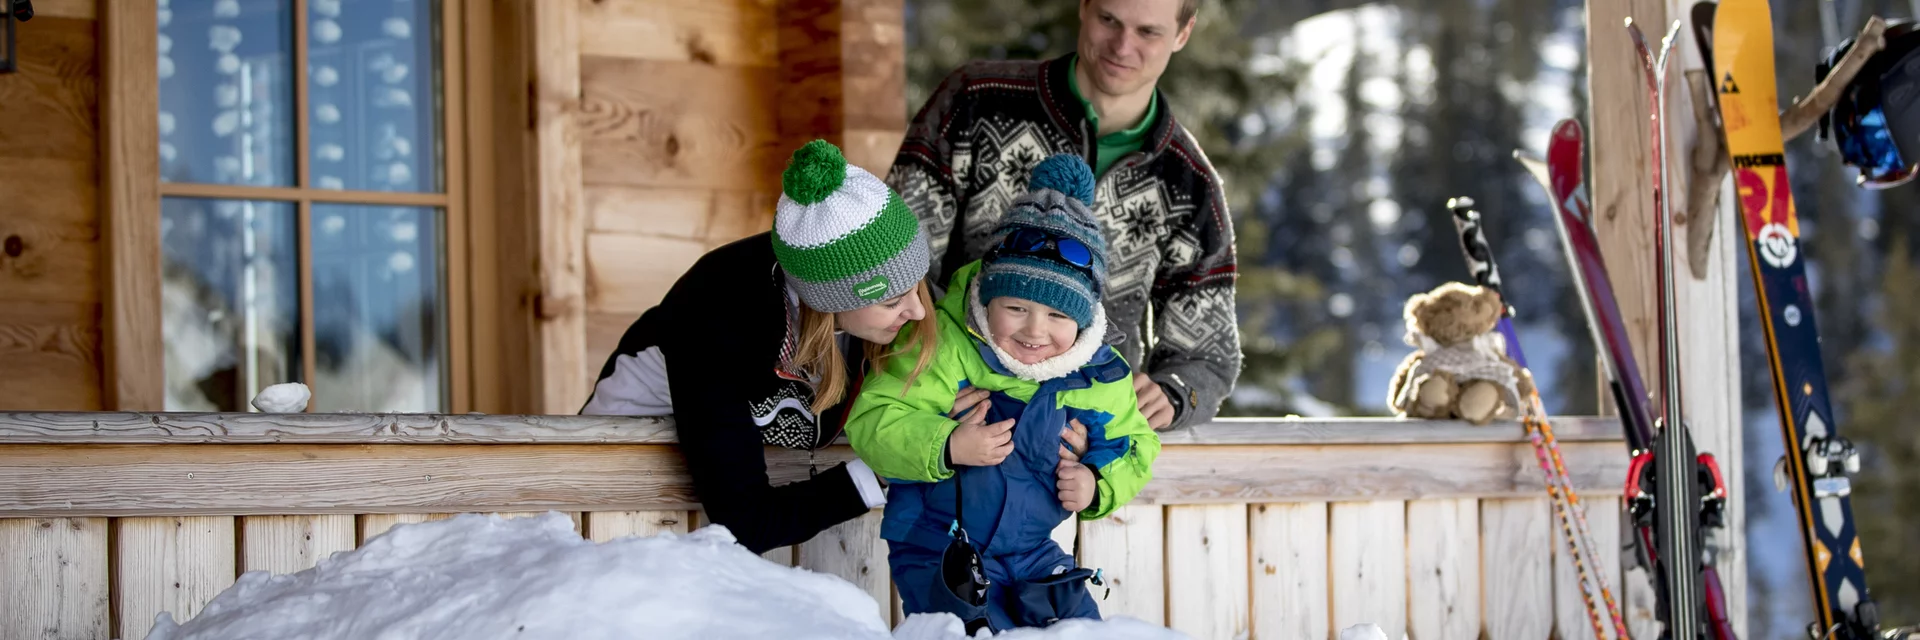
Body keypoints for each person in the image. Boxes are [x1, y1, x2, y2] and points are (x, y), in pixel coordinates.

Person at [885, 0, 1241, 432]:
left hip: (1079, 447)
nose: (1122, 46)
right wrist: (933, 371)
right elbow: (897, 261)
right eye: (1109, 20)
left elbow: (1208, 352)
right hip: (953, 411)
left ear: (1182, 34)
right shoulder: (975, 102)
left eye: (1148, 32)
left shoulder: (1190, 183)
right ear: (1085, 8)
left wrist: (1178, 390)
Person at [847, 156, 1160, 632]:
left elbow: (1136, 443)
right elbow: (875, 419)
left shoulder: (1099, 375)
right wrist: (947, 443)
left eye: (1058, 317)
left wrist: (1099, 483)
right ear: (987, 298)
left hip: (1034, 551)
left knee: (1086, 632)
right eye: (1015, 307)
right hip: (940, 547)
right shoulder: (944, 344)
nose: (1035, 331)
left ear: (1082, 319)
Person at [579, 140, 938, 554]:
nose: (918, 312)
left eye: (918, 287)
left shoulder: (867, 296)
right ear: (831, 301)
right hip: (619, 511)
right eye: (892, 301)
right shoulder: (719, 313)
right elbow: (745, 522)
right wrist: (885, 468)